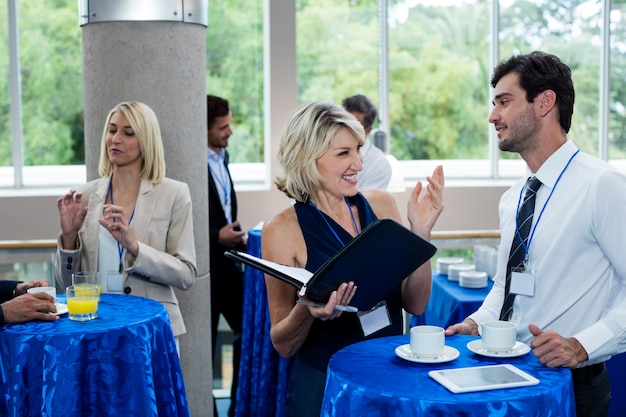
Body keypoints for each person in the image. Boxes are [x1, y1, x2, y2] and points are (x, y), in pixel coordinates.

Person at [445, 51, 626, 417]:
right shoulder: (513, 197)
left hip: (573, 385)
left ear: (545, 102)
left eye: (504, 102)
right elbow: (505, 286)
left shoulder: (602, 186)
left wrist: (581, 345)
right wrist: (475, 322)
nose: (492, 116)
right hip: (507, 376)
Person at [262, 101, 444, 417]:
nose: (359, 164)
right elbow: (283, 343)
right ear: (307, 157)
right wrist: (308, 310)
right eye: (344, 153)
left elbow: (415, 304)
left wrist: (421, 233)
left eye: (359, 149)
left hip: (390, 372)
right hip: (328, 385)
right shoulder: (281, 230)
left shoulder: (382, 205)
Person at [55, 101, 197, 340]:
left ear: (146, 141)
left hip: (150, 327)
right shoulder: (85, 195)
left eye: (128, 133)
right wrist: (69, 238)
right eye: (112, 130)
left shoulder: (174, 193)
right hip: (94, 325)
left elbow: (186, 275)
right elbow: (65, 283)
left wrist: (135, 248)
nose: (115, 139)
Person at [207, 94, 245, 417]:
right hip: (205, 273)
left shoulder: (224, 157)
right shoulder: (192, 165)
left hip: (231, 266)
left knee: (248, 333)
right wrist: (214, 236)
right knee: (205, 350)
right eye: (223, 127)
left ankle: (237, 408)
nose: (229, 132)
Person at [342, 94, 392, 190]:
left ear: (367, 131)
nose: (344, 129)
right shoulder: (325, 151)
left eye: (352, 127)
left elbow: (363, 204)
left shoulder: (379, 165)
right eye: (342, 122)